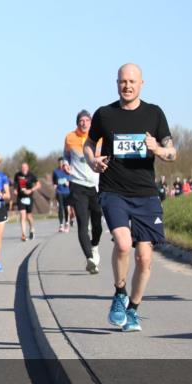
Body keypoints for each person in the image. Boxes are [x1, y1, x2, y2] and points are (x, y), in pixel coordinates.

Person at [84, 63, 176, 333]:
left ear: (141, 84)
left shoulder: (154, 114)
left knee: (144, 259)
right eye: (123, 81)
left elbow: (172, 153)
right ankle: (119, 293)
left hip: (146, 194)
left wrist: (157, 148)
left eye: (132, 81)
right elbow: (89, 143)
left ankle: (133, 309)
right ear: (117, 83)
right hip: (114, 190)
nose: (127, 86)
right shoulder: (105, 114)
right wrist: (92, 161)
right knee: (124, 245)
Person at [65, 109, 105, 274]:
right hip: (77, 184)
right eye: (81, 120)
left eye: (87, 120)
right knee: (83, 223)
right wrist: (65, 164)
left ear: (91, 122)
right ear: (77, 123)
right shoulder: (70, 138)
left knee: (97, 225)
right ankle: (90, 259)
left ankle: (94, 245)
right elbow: (66, 156)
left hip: (95, 185)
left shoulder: (99, 138)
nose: (84, 123)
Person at [14, 162, 41, 241]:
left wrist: (31, 190)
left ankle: (32, 229)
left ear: (28, 168)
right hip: (20, 197)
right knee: (22, 215)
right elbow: (15, 185)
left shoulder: (31, 175)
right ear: (21, 168)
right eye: (22, 167)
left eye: (25, 167)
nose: (24, 169)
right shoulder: (17, 175)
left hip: (29, 197)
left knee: (29, 216)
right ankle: (23, 235)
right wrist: (15, 190)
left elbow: (39, 185)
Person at [53, 157, 72, 232]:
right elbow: (54, 181)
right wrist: (55, 185)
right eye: (60, 162)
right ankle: (61, 224)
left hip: (67, 192)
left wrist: (69, 183)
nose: (61, 164)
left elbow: (72, 179)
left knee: (66, 208)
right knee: (60, 208)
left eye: (62, 162)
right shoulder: (55, 171)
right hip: (59, 191)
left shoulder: (68, 171)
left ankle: (67, 223)